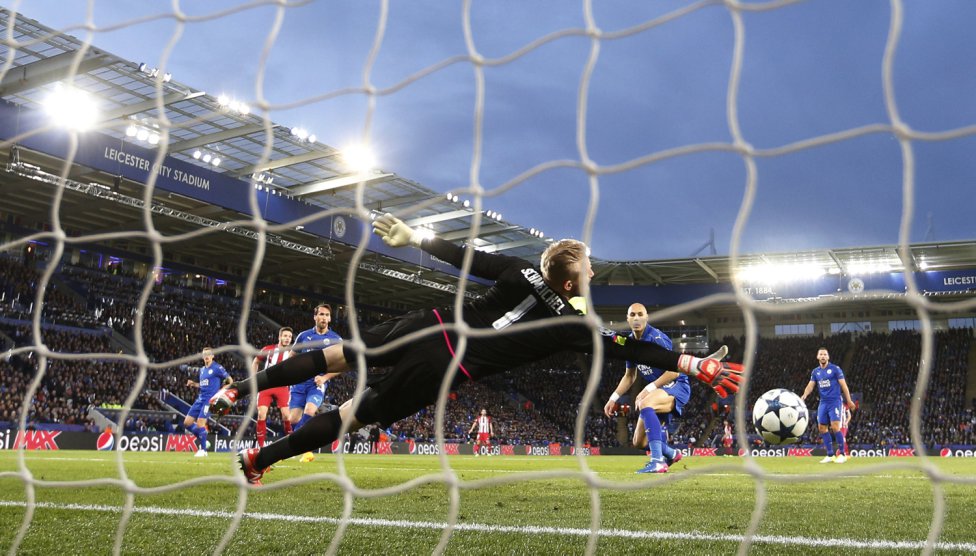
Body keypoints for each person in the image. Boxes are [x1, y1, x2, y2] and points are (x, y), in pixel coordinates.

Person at [211, 213, 743, 485]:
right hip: (444, 365)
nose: (593, 273)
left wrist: (414, 238)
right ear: (569, 283)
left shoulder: (520, 270)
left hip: (429, 324)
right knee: (352, 413)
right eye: (587, 270)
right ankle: (258, 459)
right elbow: (629, 348)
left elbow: (467, 256)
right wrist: (688, 361)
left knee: (336, 356)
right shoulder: (572, 325)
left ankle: (239, 387)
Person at [603, 303, 696, 474]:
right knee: (639, 442)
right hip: (658, 390)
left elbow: (674, 371)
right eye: (633, 315)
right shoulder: (630, 344)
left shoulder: (657, 338)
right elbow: (630, 376)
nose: (636, 318)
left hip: (677, 385)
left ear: (646, 317)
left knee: (645, 403)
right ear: (627, 319)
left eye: (640, 314)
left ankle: (657, 461)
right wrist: (613, 398)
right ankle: (672, 454)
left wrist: (649, 388)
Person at [290, 303, 343, 462]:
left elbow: (343, 365)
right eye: (321, 314)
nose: (324, 318)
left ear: (330, 319)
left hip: (317, 384)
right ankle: (301, 448)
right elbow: (291, 357)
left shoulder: (336, 339)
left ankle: (295, 447)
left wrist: (324, 378)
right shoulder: (303, 336)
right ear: (315, 317)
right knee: (293, 419)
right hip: (299, 383)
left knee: (310, 410)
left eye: (327, 315)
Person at [801, 347, 856, 464]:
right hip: (823, 402)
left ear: (828, 357)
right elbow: (810, 385)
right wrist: (804, 395)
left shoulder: (835, 369)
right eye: (821, 354)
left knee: (835, 427)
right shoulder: (815, 372)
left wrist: (849, 400)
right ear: (817, 357)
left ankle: (842, 454)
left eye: (825, 354)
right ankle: (830, 455)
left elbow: (844, 385)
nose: (823, 356)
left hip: (835, 401)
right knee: (822, 428)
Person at [252, 327, 295, 447]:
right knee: (261, 414)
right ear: (279, 337)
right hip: (266, 385)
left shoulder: (293, 353)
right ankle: (261, 447)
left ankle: (291, 445)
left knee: (286, 416)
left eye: (289, 337)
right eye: (285, 336)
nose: (287, 338)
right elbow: (255, 362)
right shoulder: (268, 349)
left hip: (282, 387)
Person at [184, 347, 231, 457]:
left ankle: (203, 450)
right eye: (204, 354)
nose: (206, 356)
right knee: (187, 423)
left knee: (200, 423)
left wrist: (220, 391)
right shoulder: (202, 370)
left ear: (212, 356)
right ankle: (204, 440)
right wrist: (194, 384)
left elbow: (230, 381)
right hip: (200, 399)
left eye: (209, 354)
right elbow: (203, 385)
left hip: (210, 400)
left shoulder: (217, 368)